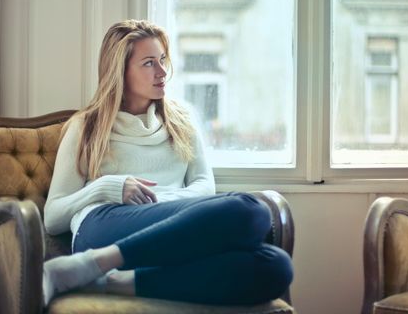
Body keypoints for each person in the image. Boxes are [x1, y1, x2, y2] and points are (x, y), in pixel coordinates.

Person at [42, 19, 293, 307]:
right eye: (149, 63)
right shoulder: (86, 127)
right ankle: (95, 260)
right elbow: (53, 216)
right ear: (119, 72)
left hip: (171, 226)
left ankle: (108, 279)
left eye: (162, 60)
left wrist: (162, 201)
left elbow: (204, 185)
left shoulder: (182, 119)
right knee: (249, 210)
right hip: (104, 225)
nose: (162, 72)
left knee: (275, 265)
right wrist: (107, 187)